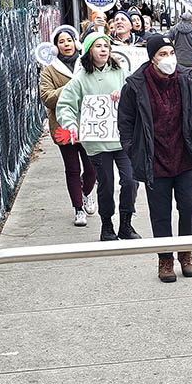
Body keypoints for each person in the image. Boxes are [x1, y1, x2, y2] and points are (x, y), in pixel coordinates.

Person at [117, 33, 192, 282]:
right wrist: (134, 151)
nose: (169, 59)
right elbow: (125, 122)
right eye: (163, 54)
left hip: (185, 158)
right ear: (152, 59)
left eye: (171, 53)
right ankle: (165, 258)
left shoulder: (187, 77)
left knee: (189, 208)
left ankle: (185, 252)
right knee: (160, 214)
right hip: (155, 161)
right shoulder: (135, 85)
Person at [55, 32, 141, 242]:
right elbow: (65, 105)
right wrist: (71, 125)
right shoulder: (80, 79)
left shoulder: (122, 73)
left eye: (106, 46)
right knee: (106, 184)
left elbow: (139, 93)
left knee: (130, 180)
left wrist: (124, 93)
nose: (103, 49)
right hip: (96, 142)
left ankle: (126, 223)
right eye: (98, 46)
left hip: (122, 140)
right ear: (89, 51)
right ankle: (107, 225)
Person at [39, 26, 97, 227]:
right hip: (63, 126)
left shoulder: (87, 64)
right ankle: (78, 209)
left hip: (88, 124)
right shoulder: (49, 71)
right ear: (55, 47)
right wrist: (70, 88)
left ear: (76, 43)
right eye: (61, 42)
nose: (66, 44)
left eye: (69, 40)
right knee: (72, 169)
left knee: (92, 167)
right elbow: (47, 98)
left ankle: (86, 192)